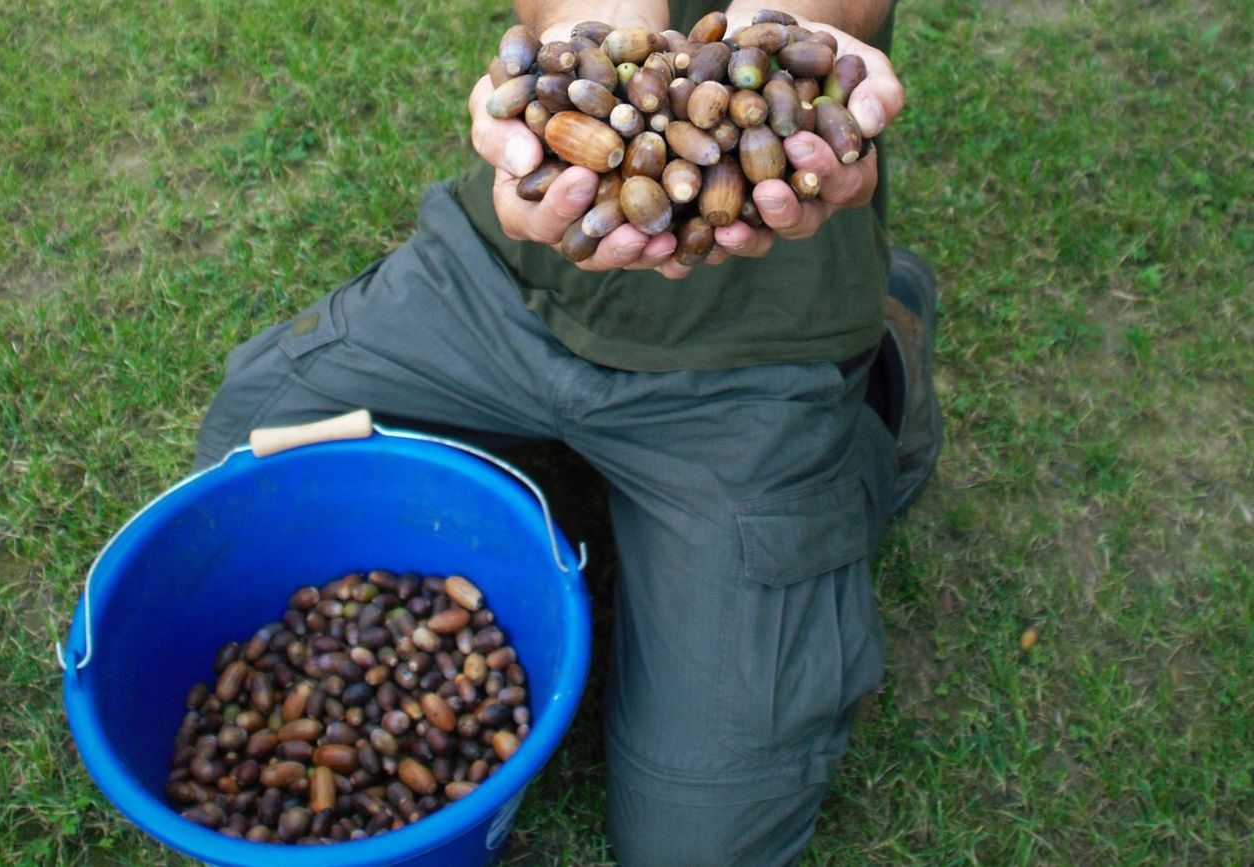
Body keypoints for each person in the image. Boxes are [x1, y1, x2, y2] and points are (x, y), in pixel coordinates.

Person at [194, 0, 942, 862]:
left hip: (757, 345)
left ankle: (885, 366)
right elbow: (584, 37)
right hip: (507, 279)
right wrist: (578, 35)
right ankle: (553, 455)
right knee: (240, 463)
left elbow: (810, 36)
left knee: (696, 847)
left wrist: (796, 50)